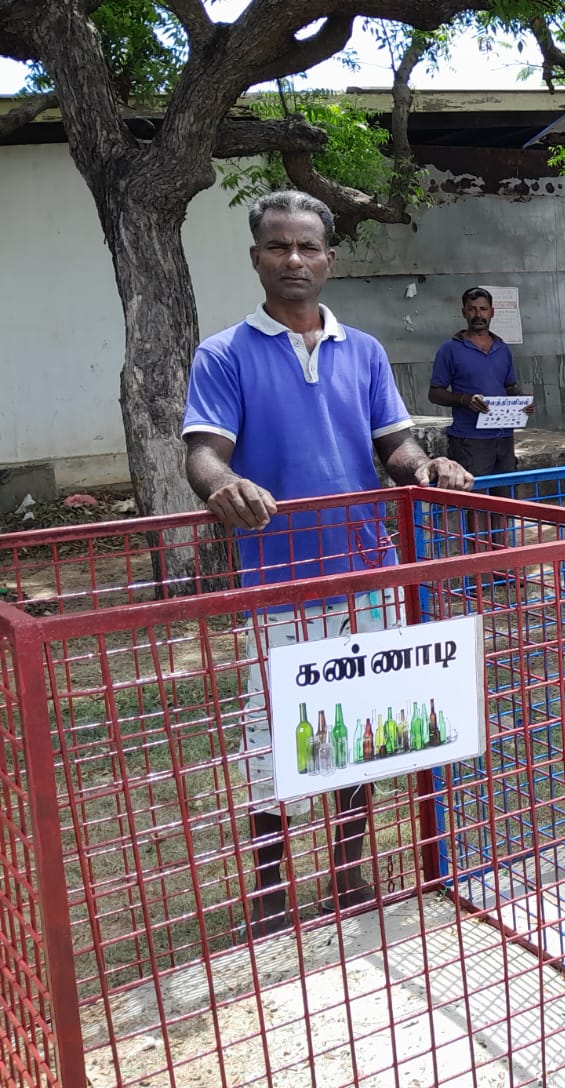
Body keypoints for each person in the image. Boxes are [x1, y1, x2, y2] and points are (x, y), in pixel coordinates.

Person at [182, 189, 473, 938]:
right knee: (271, 736)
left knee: (358, 727)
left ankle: (348, 871)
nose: (294, 260)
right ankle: (271, 886)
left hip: (363, 575)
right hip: (277, 580)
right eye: (278, 247)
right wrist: (224, 484)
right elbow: (204, 452)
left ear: (329, 260)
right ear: (256, 259)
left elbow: (394, 445)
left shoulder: (365, 350)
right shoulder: (223, 354)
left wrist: (426, 469)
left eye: (307, 247)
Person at [428, 288, 533, 476]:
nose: (478, 314)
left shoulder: (503, 349)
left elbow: (509, 386)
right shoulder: (450, 349)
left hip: (504, 437)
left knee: (506, 498)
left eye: (483, 309)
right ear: (463, 312)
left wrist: (522, 401)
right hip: (469, 439)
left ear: (492, 312)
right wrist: (465, 399)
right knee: (476, 499)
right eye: (472, 309)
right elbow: (434, 393)